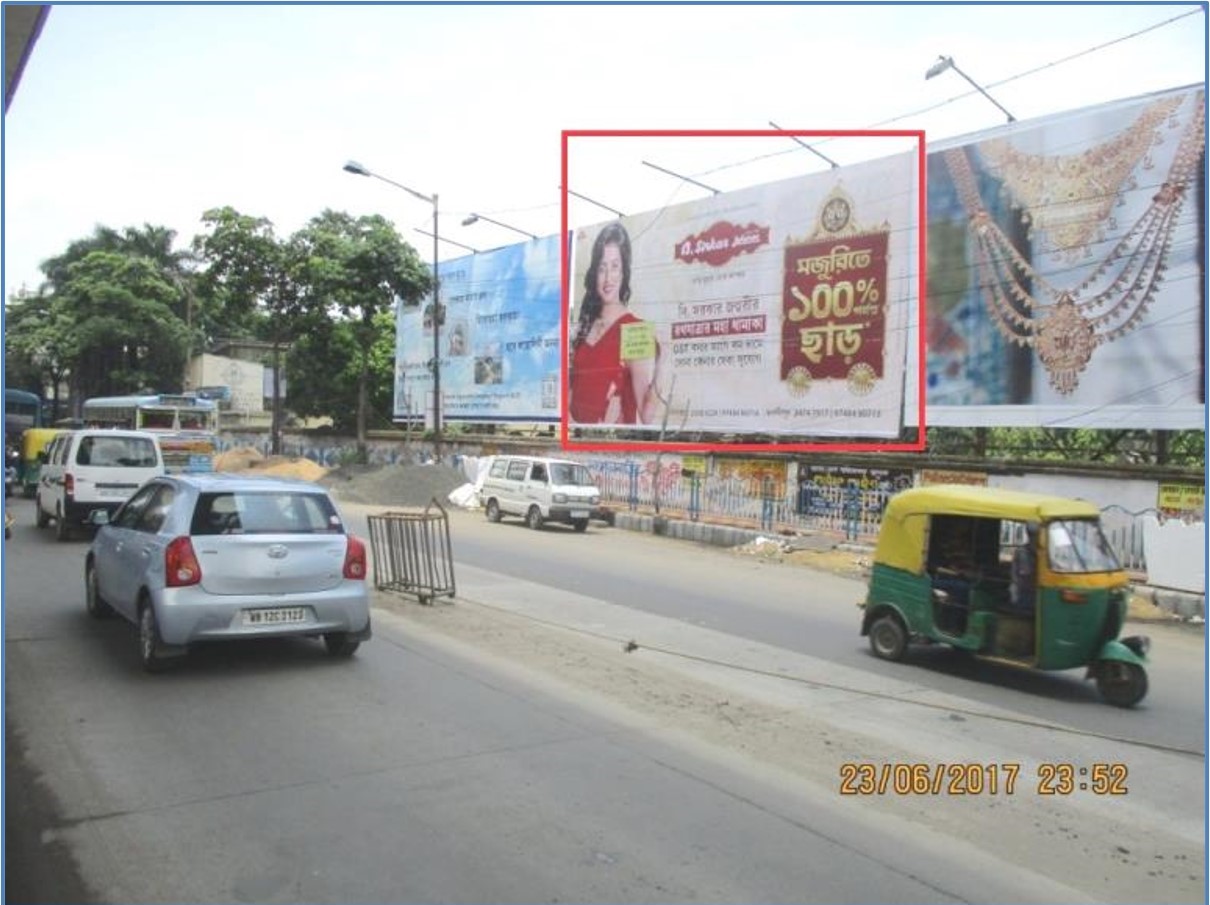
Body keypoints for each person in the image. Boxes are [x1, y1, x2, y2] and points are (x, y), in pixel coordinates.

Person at [569, 222, 662, 424]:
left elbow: (646, 416)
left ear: (623, 271)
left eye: (614, 266)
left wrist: (664, 361)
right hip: (576, 438)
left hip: (613, 440)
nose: (608, 278)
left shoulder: (635, 329)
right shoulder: (584, 326)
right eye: (602, 268)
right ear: (595, 272)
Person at [1010, 524, 1038, 613]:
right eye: (1032, 535)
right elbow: (1014, 572)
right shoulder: (1021, 551)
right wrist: (1015, 587)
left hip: (1039, 591)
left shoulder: (1045, 552)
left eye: (1035, 535)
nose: (1034, 538)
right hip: (1024, 591)